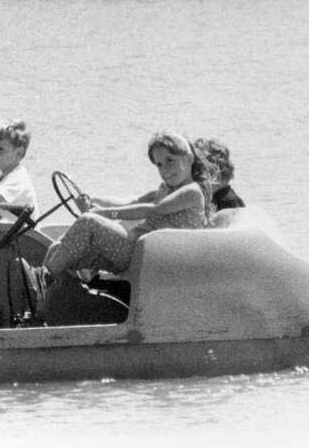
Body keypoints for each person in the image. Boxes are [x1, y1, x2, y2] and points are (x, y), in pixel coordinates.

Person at [19, 131, 212, 317]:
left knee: (88, 222)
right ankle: (42, 304)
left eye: (170, 161)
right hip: (138, 251)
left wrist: (103, 214)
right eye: (159, 164)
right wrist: (94, 201)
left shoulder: (192, 192)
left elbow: (152, 209)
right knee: (56, 248)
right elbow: (132, 201)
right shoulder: (167, 189)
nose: (165, 170)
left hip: (146, 256)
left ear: (188, 159)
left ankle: (43, 281)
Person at [193, 137, 245, 211]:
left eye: (198, 172)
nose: (196, 180)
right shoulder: (219, 198)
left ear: (214, 173)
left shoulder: (229, 202)